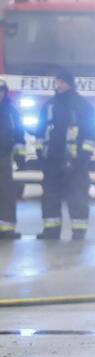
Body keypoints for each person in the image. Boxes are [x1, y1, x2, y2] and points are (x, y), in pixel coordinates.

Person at [38, 75, 95, 241]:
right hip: (52, 159)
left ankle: (79, 231)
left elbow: (91, 134)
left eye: (62, 82)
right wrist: (40, 154)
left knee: (77, 196)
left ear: (70, 84)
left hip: (76, 161)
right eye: (58, 82)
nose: (59, 85)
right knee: (50, 195)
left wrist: (83, 157)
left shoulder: (82, 106)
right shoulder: (50, 105)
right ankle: (51, 230)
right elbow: (40, 130)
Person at [0, 82, 19, 243]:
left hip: (4, 157)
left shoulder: (11, 112)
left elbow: (18, 133)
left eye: (1, 91)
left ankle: (7, 229)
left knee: (6, 193)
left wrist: (20, 156)